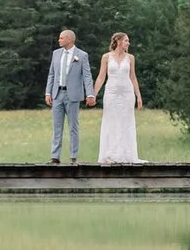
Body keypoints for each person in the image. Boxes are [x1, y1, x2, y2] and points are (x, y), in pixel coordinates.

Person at [92, 32, 143, 165]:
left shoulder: (130, 58)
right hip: (111, 93)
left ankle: (126, 154)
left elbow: (133, 77)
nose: (128, 43)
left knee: (126, 121)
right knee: (111, 120)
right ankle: (110, 153)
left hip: (127, 92)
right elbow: (101, 76)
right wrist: (94, 94)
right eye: (126, 41)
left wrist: (138, 95)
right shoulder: (106, 57)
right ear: (119, 42)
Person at [44, 28, 91, 164]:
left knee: (73, 127)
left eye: (61, 38)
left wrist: (90, 94)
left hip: (73, 95)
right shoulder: (56, 54)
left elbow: (87, 76)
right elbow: (52, 74)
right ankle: (55, 156)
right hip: (57, 94)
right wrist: (48, 92)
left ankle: (73, 156)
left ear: (70, 39)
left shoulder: (81, 55)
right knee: (57, 127)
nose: (59, 40)